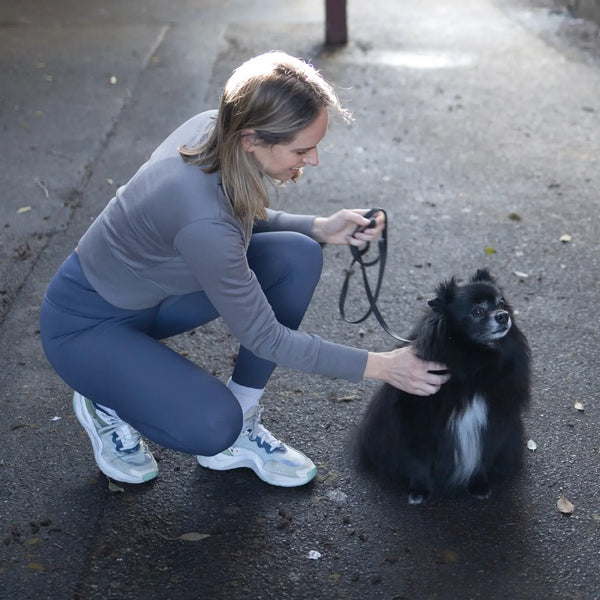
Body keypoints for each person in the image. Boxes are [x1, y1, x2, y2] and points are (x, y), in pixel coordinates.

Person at [40, 51, 449, 488]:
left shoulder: (218, 130)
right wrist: (384, 367)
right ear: (252, 138)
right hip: (85, 327)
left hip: (152, 298)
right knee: (214, 427)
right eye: (302, 149)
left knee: (298, 254)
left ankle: (244, 419)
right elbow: (264, 333)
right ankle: (106, 397)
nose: (313, 161)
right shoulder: (201, 214)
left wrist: (320, 228)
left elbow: (233, 217)